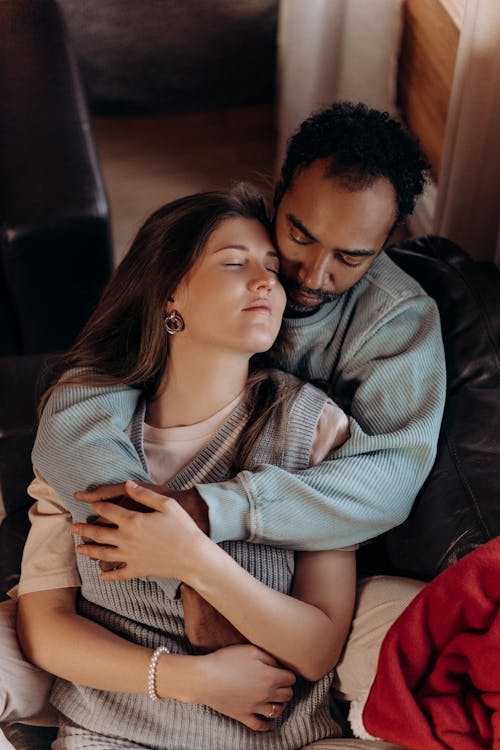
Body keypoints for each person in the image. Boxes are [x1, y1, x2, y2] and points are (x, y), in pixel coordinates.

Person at [0, 100, 444, 742]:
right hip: (118, 713)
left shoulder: (369, 358)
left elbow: (388, 482)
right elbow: (50, 614)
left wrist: (198, 529)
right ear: (278, 191)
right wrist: (186, 667)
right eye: (295, 237)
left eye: (352, 256)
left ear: (386, 244)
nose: (306, 277)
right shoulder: (99, 416)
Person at [14, 187, 358, 749]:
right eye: (234, 262)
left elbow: (318, 647)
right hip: (112, 734)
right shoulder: (84, 434)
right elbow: (45, 628)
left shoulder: (310, 427)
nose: (266, 280)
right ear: (169, 291)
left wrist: (193, 560)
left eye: (273, 268)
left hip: (273, 740)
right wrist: (192, 681)